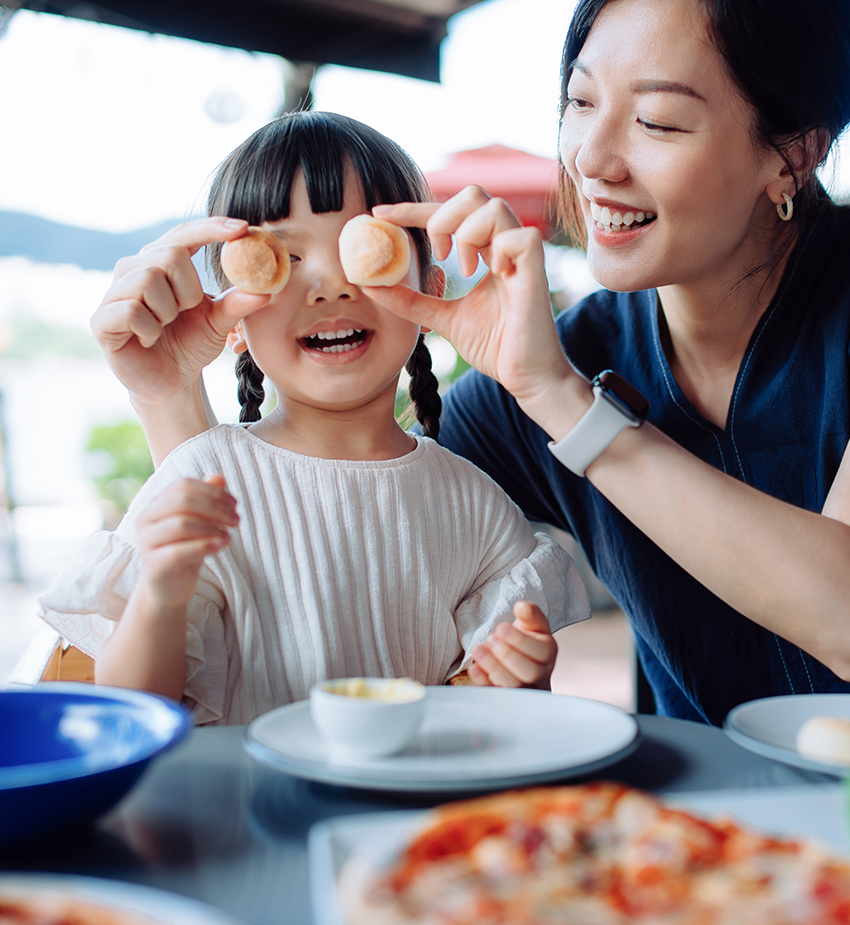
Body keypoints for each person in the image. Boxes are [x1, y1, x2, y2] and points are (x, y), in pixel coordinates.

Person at [87, 0, 850, 728]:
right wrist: (173, 401)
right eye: (581, 102)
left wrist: (562, 401)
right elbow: (326, 532)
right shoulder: (561, 359)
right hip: (717, 840)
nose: (593, 159)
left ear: (790, 155)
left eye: (659, 123)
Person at [38, 112, 589, 725]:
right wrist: (160, 596)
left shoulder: (471, 501)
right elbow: (133, 710)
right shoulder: (201, 475)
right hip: (243, 814)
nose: (328, 284)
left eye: (362, 249)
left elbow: (504, 712)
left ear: (431, 290)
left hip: (397, 816)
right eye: (285, 257)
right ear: (235, 321)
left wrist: (523, 675)